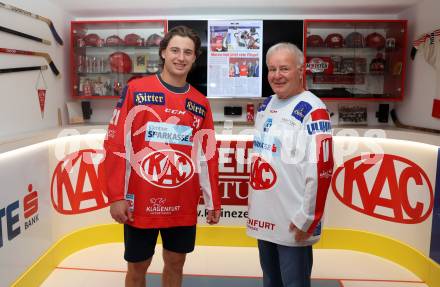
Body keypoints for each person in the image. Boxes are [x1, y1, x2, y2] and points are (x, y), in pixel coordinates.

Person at [103, 26, 221, 287]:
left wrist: (213, 200)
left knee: (176, 262)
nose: (181, 57)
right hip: (140, 199)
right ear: (163, 53)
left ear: (194, 58)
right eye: (175, 50)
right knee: (138, 266)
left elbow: (206, 155)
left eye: (188, 52)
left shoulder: (201, 103)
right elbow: (116, 143)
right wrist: (116, 196)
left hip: (181, 200)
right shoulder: (136, 89)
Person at [246, 42, 334, 287]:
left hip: (294, 220)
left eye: (284, 68)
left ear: (300, 70)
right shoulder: (266, 105)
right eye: (271, 69)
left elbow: (321, 169)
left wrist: (309, 217)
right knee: (271, 280)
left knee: (294, 283)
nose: (276, 75)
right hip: (265, 217)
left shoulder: (313, 109)